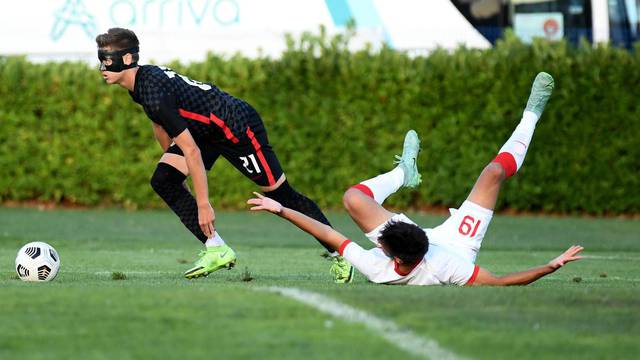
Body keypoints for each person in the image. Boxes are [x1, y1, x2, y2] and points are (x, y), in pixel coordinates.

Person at [248, 72, 584, 286]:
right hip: (457, 243)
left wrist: (279, 209)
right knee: (494, 173)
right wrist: (550, 266)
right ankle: (531, 116)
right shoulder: (452, 266)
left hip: (422, 247)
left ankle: (402, 173)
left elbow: (326, 232)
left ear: (388, 252)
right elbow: (499, 281)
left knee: (352, 198)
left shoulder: (375, 268)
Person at [95, 27, 353, 282]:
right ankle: (216, 248)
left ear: (127, 59)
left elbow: (191, 150)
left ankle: (342, 254)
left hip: (237, 128)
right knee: (164, 179)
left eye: (107, 61)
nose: (102, 69)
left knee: (281, 194)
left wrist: (203, 204)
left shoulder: (152, 91)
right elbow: (160, 124)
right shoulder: (141, 83)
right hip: (205, 131)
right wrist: (174, 163)